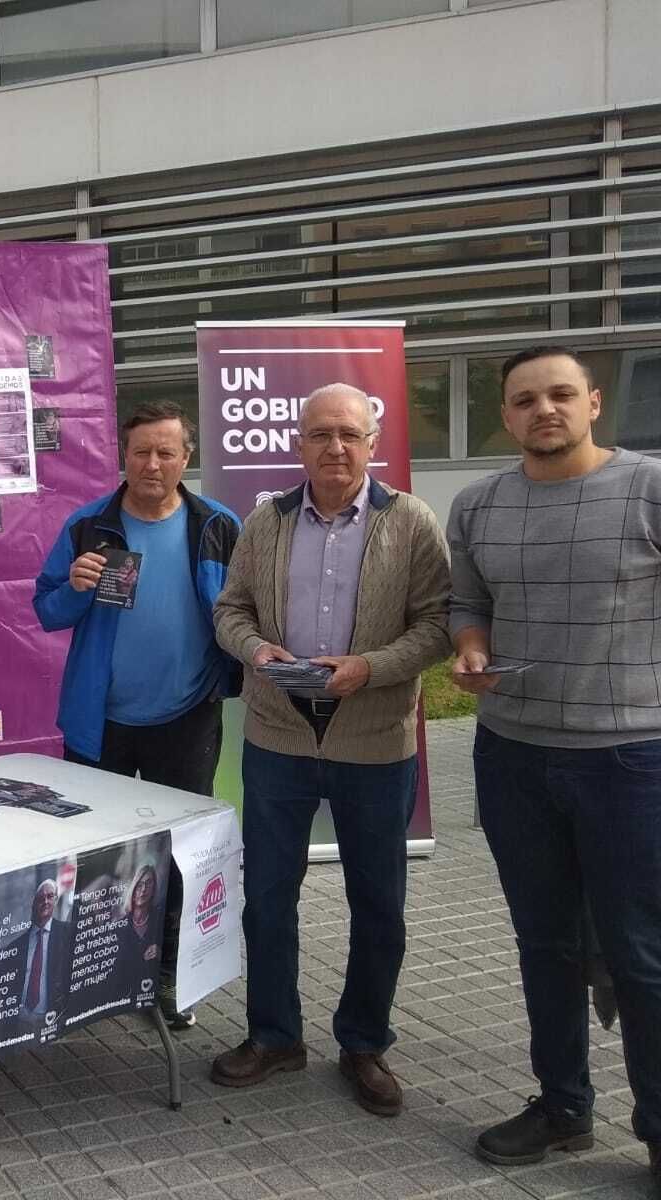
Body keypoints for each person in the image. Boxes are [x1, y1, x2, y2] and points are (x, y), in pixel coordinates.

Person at [448, 345, 661, 1189]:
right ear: (506, 415)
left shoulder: (649, 487)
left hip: (630, 758)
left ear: (593, 402)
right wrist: (471, 649)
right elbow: (469, 604)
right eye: (526, 399)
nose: (545, 409)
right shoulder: (478, 504)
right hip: (513, 755)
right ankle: (564, 1106)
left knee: (641, 952)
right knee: (544, 943)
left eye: (561, 394)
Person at [210, 383, 450, 1118]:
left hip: (373, 740)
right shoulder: (266, 520)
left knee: (378, 902)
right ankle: (275, 1035)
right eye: (320, 434)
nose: (335, 448)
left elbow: (437, 624)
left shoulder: (410, 521)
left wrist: (369, 668)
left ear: (372, 442)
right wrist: (257, 650)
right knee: (267, 897)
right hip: (278, 737)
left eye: (349, 434)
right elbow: (231, 610)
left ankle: (364, 1042)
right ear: (300, 445)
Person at [33, 399, 241, 1030]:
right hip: (101, 725)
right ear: (123, 456)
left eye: (166, 452)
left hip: (187, 718)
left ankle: (170, 975)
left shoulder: (218, 525)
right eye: (141, 451)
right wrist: (74, 587)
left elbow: (247, 610)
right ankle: (97, 976)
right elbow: (46, 611)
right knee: (100, 858)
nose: (153, 464)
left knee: (180, 857)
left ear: (186, 457)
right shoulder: (88, 525)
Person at [6, 878, 72, 1029]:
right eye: (41, 898)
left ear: (56, 900)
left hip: (54, 1017)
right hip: (20, 1021)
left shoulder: (67, 933)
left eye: (50, 896)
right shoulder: (17, 945)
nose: (45, 901)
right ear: (34, 903)